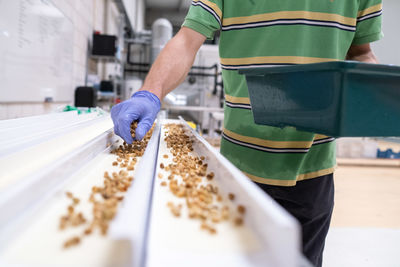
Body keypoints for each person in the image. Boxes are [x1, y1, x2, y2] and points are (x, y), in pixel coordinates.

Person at [111, 1, 382, 266]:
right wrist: (150, 92)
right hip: (239, 170)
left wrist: (374, 89)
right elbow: (187, 40)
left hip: (313, 170)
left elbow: (360, 52)